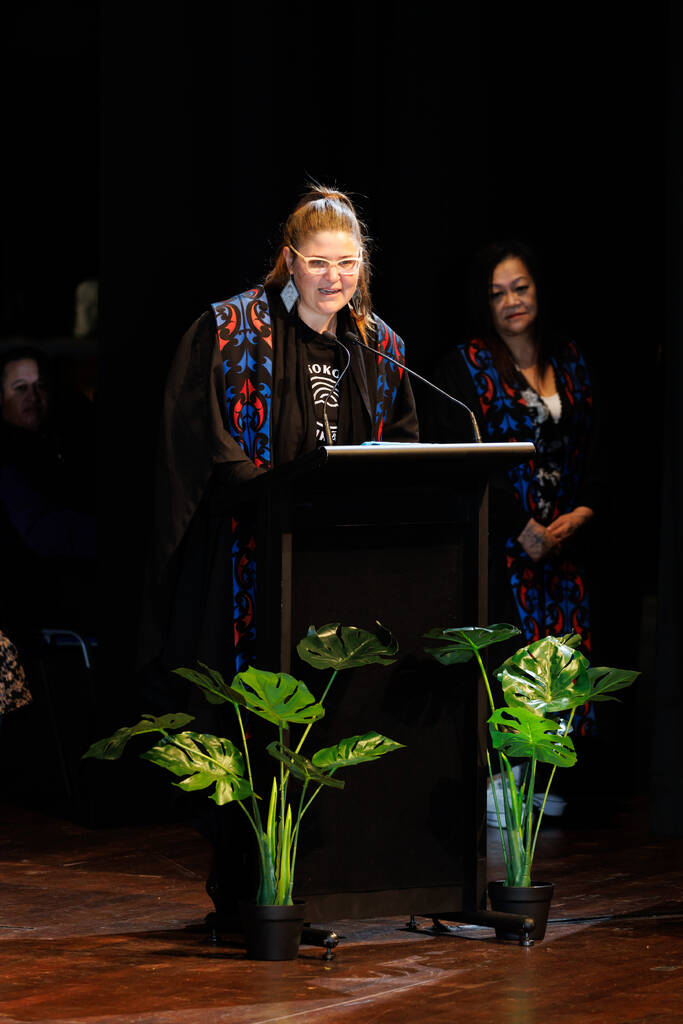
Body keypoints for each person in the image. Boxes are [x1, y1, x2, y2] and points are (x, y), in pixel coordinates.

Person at [141, 185, 419, 683]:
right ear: (290, 261)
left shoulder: (381, 346)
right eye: (318, 263)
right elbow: (203, 443)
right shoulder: (231, 331)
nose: (334, 278)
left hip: (349, 558)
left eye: (347, 263)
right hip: (251, 555)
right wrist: (275, 497)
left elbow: (401, 445)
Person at [426, 240, 602, 740]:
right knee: (510, 686)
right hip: (501, 553)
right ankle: (506, 774)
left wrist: (585, 511)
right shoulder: (464, 367)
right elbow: (462, 461)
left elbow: (597, 445)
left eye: (519, 288)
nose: (511, 301)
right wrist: (522, 527)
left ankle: (559, 771)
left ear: (537, 290)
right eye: (497, 293)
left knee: (567, 683)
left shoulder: (569, 359)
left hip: (566, 553)